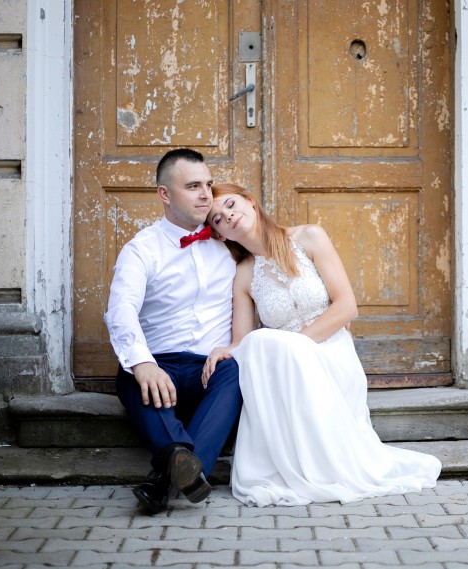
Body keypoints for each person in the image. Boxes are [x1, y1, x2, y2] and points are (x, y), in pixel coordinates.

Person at [201, 183, 441, 507]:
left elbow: (347, 307)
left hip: (332, 355)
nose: (227, 216)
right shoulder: (243, 274)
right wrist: (223, 351)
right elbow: (242, 341)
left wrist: (297, 346)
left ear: (250, 202)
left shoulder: (309, 237)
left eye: (230, 205)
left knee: (270, 343)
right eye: (217, 218)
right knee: (257, 343)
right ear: (219, 235)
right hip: (291, 373)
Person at [104, 149, 242, 515]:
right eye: (193, 186)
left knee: (233, 371)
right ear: (165, 194)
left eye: (208, 185)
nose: (205, 195)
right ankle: (186, 470)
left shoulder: (229, 244)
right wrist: (143, 364)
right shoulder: (141, 249)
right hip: (158, 370)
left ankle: (164, 478)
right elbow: (121, 310)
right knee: (129, 370)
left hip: (207, 373)